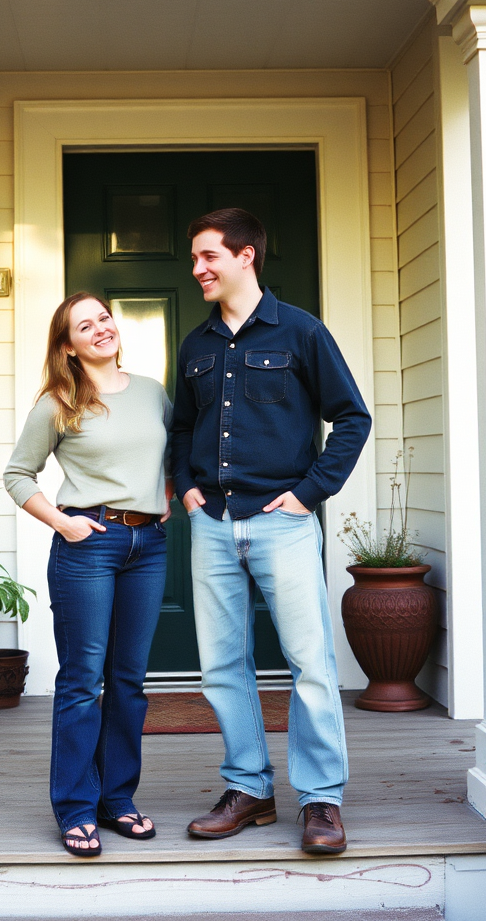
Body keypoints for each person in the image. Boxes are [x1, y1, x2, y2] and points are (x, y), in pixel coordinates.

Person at [170, 208, 371, 854]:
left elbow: (352, 418)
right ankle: (248, 789)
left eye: (208, 256)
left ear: (246, 256)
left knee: (310, 665)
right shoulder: (197, 346)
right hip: (213, 523)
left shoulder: (302, 332)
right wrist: (185, 484)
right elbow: (182, 428)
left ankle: (321, 799)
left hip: (283, 524)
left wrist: (310, 493)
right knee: (222, 667)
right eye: (195, 258)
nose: (197, 269)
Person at [4, 292, 172, 857]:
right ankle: (76, 808)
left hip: (148, 546)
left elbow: (173, 451)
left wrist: (167, 493)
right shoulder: (59, 402)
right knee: (83, 681)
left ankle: (117, 799)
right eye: (85, 325)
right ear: (68, 346)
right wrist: (62, 522)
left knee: (129, 681)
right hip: (88, 545)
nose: (101, 328)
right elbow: (17, 475)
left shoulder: (150, 391)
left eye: (104, 318)